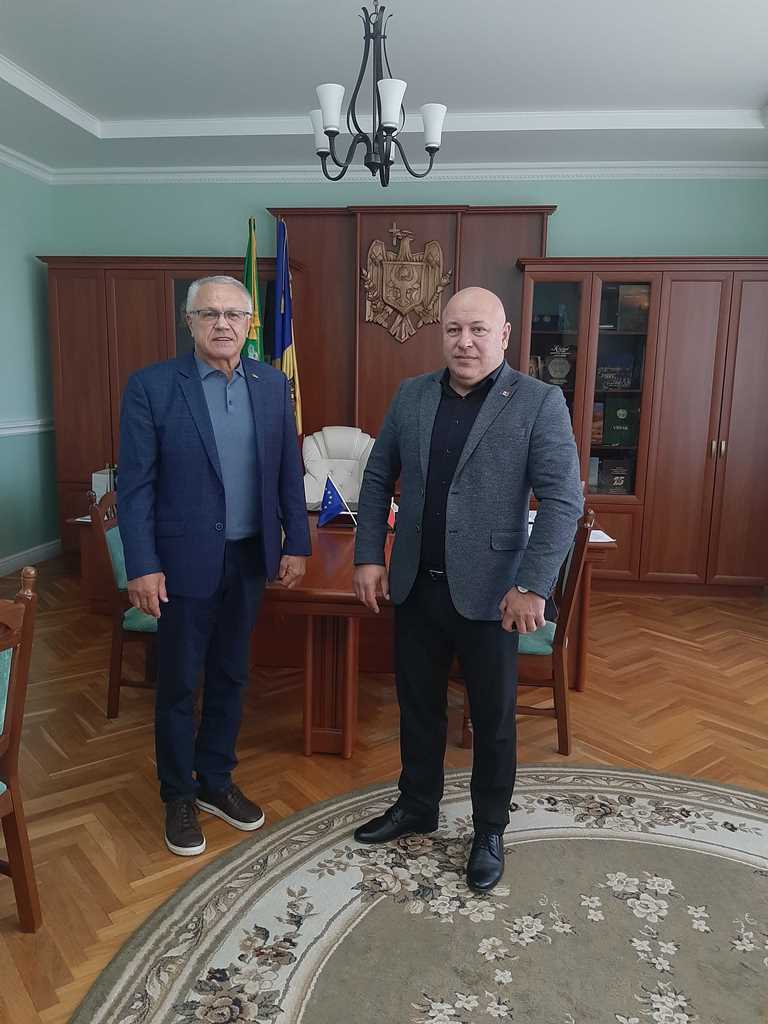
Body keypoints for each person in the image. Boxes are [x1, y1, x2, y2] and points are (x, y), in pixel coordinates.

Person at [352, 286, 583, 892]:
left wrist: (532, 585)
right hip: (414, 586)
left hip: (494, 595)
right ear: (442, 335)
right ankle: (417, 805)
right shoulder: (411, 395)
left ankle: (489, 830)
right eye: (454, 330)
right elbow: (377, 479)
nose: (465, 342)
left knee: (493, 720)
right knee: (417, 708)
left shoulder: (538, 401)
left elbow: (563, 500)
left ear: (503, 336)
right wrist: (369, 556)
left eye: (479, 330)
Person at [118, 275, 310, 856]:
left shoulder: (272, 385)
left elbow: (288, 471)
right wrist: (142, 564)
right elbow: (136, 486)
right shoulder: (152, 387)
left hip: (250, 558)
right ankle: (178, 793)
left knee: (232, 674)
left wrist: (296, 544)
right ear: (189, 322)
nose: (222, 324)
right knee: (180, 682)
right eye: (209, 314)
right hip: (180, 564)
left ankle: (216, 780)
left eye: (234, 314)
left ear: (250, 324)